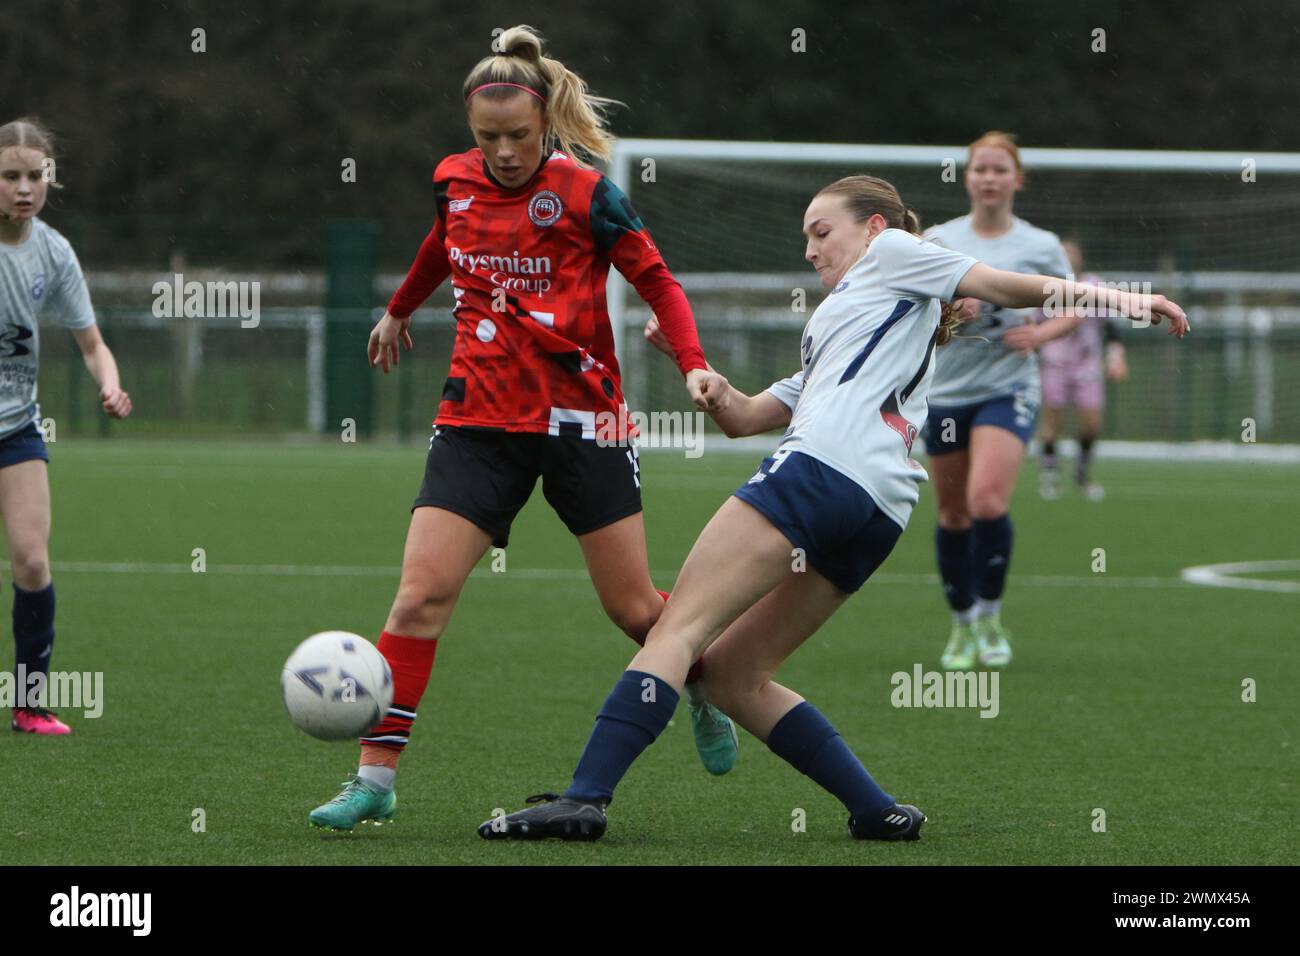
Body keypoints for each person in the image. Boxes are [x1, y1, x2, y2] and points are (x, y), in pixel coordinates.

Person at [478, 175, 1188, 842]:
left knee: (677, 628)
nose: (811, 249)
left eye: (822, 232)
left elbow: (1001, 283)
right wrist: (698, 374)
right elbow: (747, 416)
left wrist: (1118, 300)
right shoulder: (848, 319)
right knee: (732, 675)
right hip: (877, 508)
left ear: (873, 227)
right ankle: (875, 811)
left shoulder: (892, 254)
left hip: (818, 474)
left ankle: (586, 798)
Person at [308, 25, 736, 831]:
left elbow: (659, 281)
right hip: (476, 420)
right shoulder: (452, 180)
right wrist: (399, 309)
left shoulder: (587, 192)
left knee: (637, 611)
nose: (503, 152)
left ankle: (700, 683)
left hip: (584, 422)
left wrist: (693, 364)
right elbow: (446, 241)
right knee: (419, 598)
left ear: (544, 123)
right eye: (486, 138)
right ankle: (374, 779)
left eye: (517, 136)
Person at [924, 131, 1083, 672]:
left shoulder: (1040, 245)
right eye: (980, 169)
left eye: (999, 169)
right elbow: (912, 312)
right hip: (945, 393)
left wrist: (1040, 335)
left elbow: (1072, 306)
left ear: (1017, 179)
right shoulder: (938, 240)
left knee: (987, 501)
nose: (989, 178)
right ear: (966, 178)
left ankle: (991, 617)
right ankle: (962, 623)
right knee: (953, 511)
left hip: (1007, 386)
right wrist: (948, 313)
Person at [0, 117, 132, 735]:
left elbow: (90, 343)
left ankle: (29, 702)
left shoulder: (51, 251)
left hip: (16, 429)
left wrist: (108, 382)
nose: (24, 188)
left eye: (35, 175)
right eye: (9, 176)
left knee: (31, 561)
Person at [1037, 237, 1128, 501]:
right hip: (1055, 363)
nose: (1067, 258)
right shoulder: (1045, 288)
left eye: (1072, 253)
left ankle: (1081, 474)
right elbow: (1035, 326)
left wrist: (1116, 358)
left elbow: (1111, 327)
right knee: (1053, 421)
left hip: (1087, 364)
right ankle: (1050, 476)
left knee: (1090, 425)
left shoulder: (1093, 286)